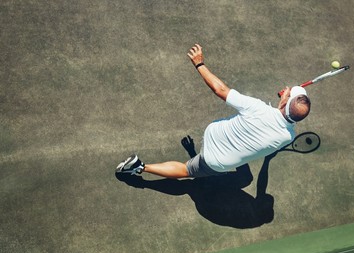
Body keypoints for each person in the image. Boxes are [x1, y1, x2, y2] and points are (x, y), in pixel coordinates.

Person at [116, 44, 311, 179]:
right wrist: (284, 100)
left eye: (288, 95)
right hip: (216, 161)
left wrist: (199, 63)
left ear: (285, 102)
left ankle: (140, 166)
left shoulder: (257, 107)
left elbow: (220, 90)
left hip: (213, 134)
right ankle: (139, 167)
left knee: (186, 171)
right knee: (239, 176)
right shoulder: (288, 136)